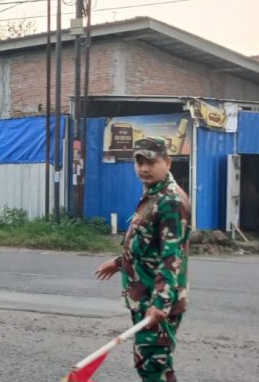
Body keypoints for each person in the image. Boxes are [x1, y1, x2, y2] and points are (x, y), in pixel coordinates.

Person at [94, 136, 190, 382]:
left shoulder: (171, 200)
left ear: (167, 162)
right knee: (156, 362)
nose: (144, 169)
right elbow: (147, 244)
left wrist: (160, 303)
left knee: (151, 365)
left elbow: (171, 255)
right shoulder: (152, 194)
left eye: (151, 162)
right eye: (139, 163)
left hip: (156, 300)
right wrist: (118, 262)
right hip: (144, 295)